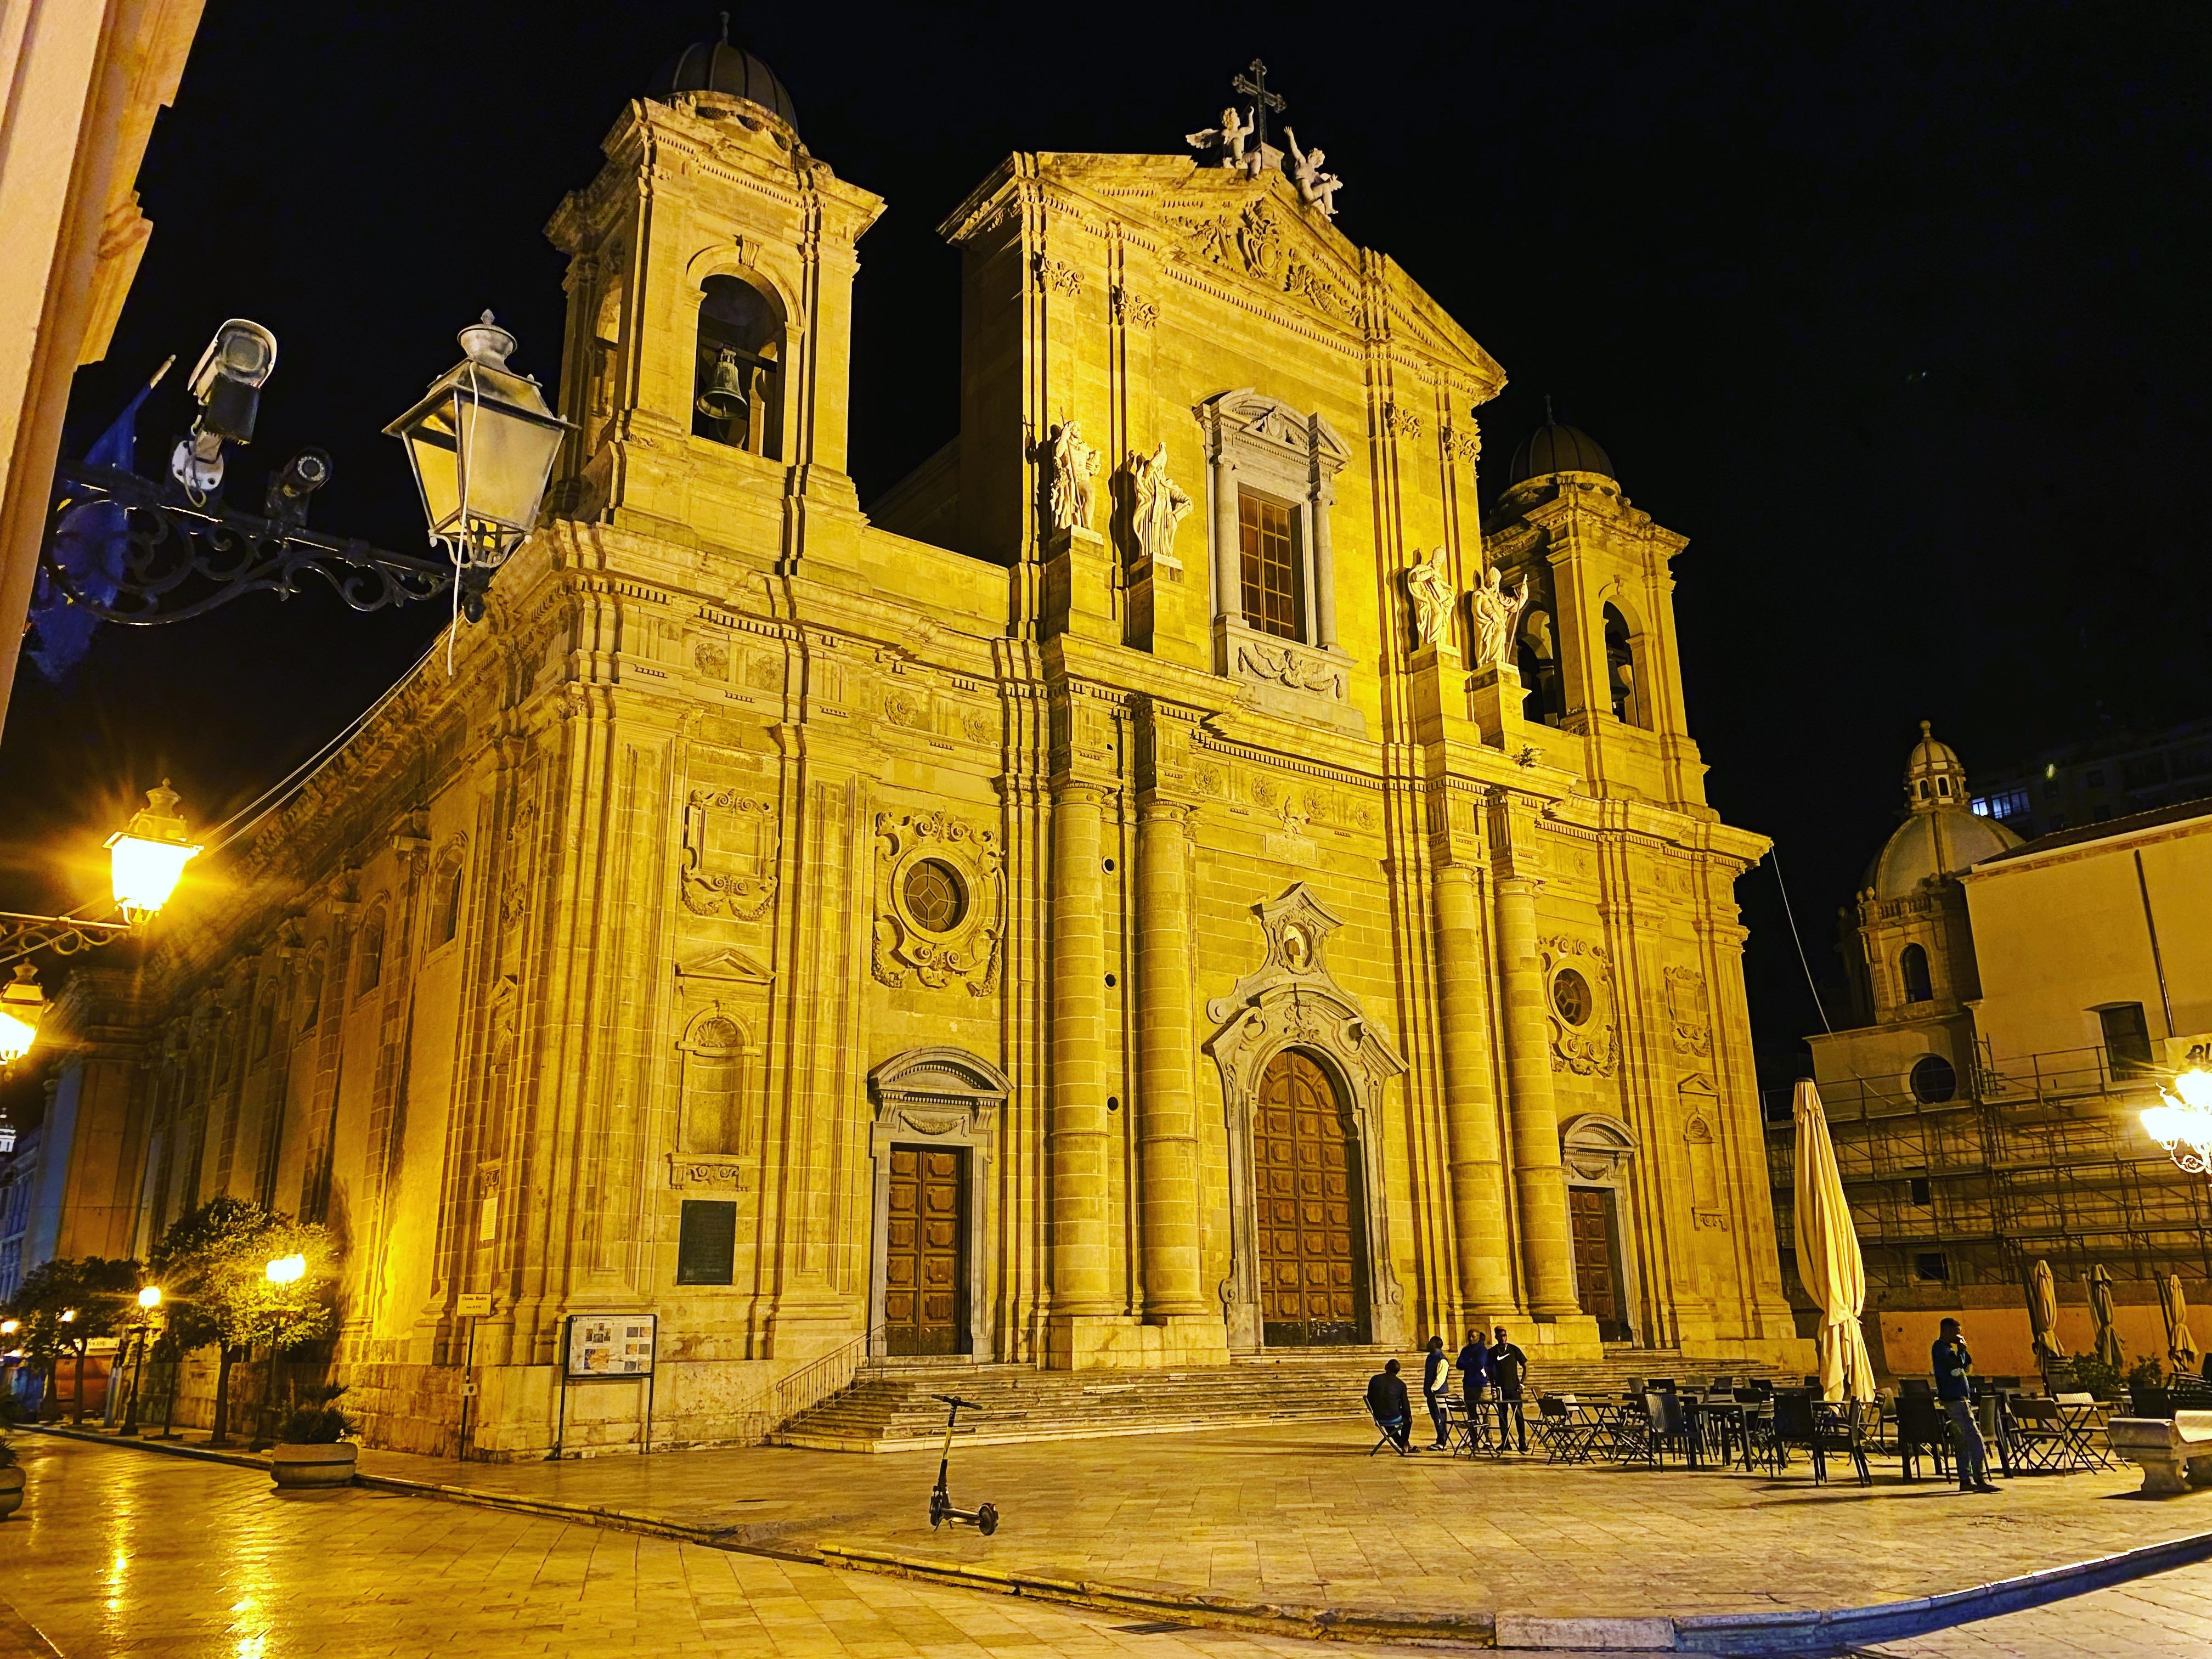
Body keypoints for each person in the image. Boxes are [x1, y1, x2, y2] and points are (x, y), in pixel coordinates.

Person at [1933, 1317, 1998, 1493]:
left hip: (1959, 1398)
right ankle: (1980, 1477)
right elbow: (1956, 1368)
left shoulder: (1948, 1350)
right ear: (1946, 1331)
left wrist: (1964, 1351)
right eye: (1956, 1332)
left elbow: (1966, 1366)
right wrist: (1961, 1351)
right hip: (1955, 1400)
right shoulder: (1941, 1350)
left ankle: (1965, 1479)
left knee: (1963, 1441)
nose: (1959, 1335)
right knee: (1975, 1438)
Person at [1489, 1325, 1530, 1452]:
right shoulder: (1492, 1352)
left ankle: (1522, 1442)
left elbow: (1526, 1366)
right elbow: (1489, 1370)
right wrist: (1493, 1386)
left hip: (1514, 1389)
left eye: (1504, 1335)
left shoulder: (1514, 1349)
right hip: (1501, 1389)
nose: (1503, 1338)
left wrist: (1522, 1383)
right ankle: (1505, 1442)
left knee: (1518, 1415)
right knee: (1502, 1416)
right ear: (1496, 1337)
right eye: (1500, 1336)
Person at [1455, 1329, 1493, 1446]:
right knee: (1471, 1414)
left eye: (1473, 1337)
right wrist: (1471, 1363)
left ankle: (1488, 1440)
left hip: (1481, 1385)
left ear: (1478, 1337)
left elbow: (1480, 1364)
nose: (1471, 1339)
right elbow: (1459, 1364)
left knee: (1485, 1413)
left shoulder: (1482, 1350)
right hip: (1468, 1385)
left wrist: (1469, 1363)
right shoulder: (1465, 1350)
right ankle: (1473, 1440)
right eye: (1469, 1336)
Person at [1367, 1358, 1413, 1452]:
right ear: (1398, 1371)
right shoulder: (1401, 1384)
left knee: (1389, 1422)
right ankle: (1403, 1443)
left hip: (1378, 1416)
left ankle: (1402, 1444)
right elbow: (1406, 1407)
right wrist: (1407, 1416)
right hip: (1392, 1416)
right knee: (1408, 1421)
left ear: (1386, 1367)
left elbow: (1369, 1398)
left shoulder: (1375, 1379)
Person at [1421, 1336, 1453, 1449]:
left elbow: (1441, 1378)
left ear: (1435, 1344)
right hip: (1432, 1394)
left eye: (1430, 1342)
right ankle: (1440, 1440)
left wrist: (1432, 1389)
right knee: (1436, 1417)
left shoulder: (1441, 1359)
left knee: (1439, 1417)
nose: (1428, 1343)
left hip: (1438, 1394)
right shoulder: (1431, 1357)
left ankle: (1442, 1442)